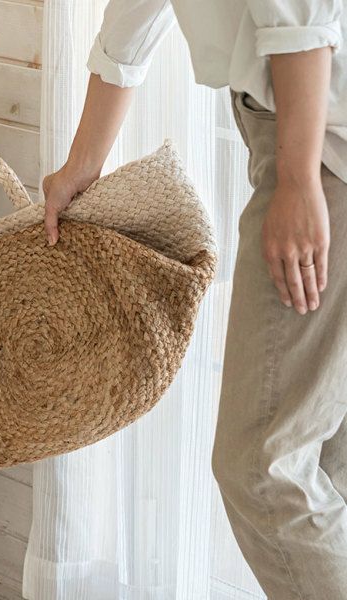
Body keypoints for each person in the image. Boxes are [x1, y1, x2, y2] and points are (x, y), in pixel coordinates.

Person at [42, 1, 347, 598]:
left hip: (323, 149)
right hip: (307, 134)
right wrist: (83, 163)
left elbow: (302, 21)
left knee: (263, 466)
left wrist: (297, 182)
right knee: (324, 463)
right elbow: (133, 16)